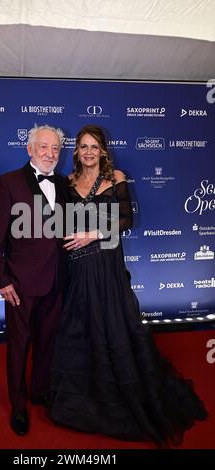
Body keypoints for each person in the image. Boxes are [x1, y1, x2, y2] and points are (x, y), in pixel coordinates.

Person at [48, 124, 208, 447]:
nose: (89, 152)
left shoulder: (116, 178)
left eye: (94, 147)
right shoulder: (67, 183)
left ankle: (123, 395)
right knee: (83, 326)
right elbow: (61, 222)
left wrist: (90, 234)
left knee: (114, 325)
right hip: (79, 266)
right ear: (76, 152)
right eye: (83, 147)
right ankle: (88, 396)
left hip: (107, 263)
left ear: (103, 151)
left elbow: (126, 220)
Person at [0, 124, 68, 436]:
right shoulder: (7, 183)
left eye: (56, 149)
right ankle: (18, 406)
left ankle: (39, 391)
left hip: (57, 280)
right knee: (19, 347)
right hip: (20, 283)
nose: (50, 154)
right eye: (44, 147)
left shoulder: (63, 183)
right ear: (30, 149)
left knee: (48, 343)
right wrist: (1, 280)